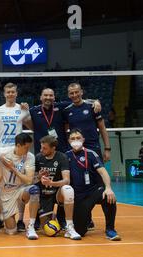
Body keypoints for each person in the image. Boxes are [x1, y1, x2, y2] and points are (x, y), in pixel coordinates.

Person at [28, 87, 101, 229]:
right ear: (41, 97)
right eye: (45, 95)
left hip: (61, 154)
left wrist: (95, 101)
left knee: (67, 185)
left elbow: (78, 101)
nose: (48, 98)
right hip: (42, 155)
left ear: (54, 97)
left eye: (51, 95)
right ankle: (37, 218)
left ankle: (65, 218)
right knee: (41, 184)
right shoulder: (33, 111)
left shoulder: (62, 108)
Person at [0, 83, 31, 232]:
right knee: (0, 187)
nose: (11, 94)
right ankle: (1, 217)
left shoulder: (22, 109)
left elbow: (32, 126)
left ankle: (20, 219)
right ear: (4, 93)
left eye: (13, 92)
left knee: (19, 186)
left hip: (17, 152)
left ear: (16, 93)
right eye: (8, 92)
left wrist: (28, 112)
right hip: (1, 152)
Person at [66, 129, 121, 240]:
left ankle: (110, 229)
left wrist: (108, 188)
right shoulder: (66, 156)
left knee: (108, 196)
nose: (75, 140)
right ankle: (85, 221)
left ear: (83, 140)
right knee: (80, 232)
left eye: (78, 138)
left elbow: (102, 171)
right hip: (77, 196)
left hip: (93, 191)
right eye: (72, 138)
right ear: (68, 141)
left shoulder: (91, 154)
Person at [34, 135, 81, 240]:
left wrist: (52, 182)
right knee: (48, 230)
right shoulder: (38, 157)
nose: (41, 150)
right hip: (44, 195)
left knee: (68, 189)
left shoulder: (61, 157)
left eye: (45, 148)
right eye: (41, 147)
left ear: (53, 148)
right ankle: (53, 217)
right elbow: (31, 181)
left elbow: (66, 180)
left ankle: (70, 227)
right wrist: (39, 176)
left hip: (57, 193)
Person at [0, 133, 39, 237]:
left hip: (20, 190)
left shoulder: (30, 157)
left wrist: (12, 168)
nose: (28, 150)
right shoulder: (3, 152)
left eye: (29, 147)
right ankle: (4, 219)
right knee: (11, 231)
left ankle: (31, 226)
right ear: (18, 145)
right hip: (6, 193)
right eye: (26, 147)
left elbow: (28, 180)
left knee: (34, 190)